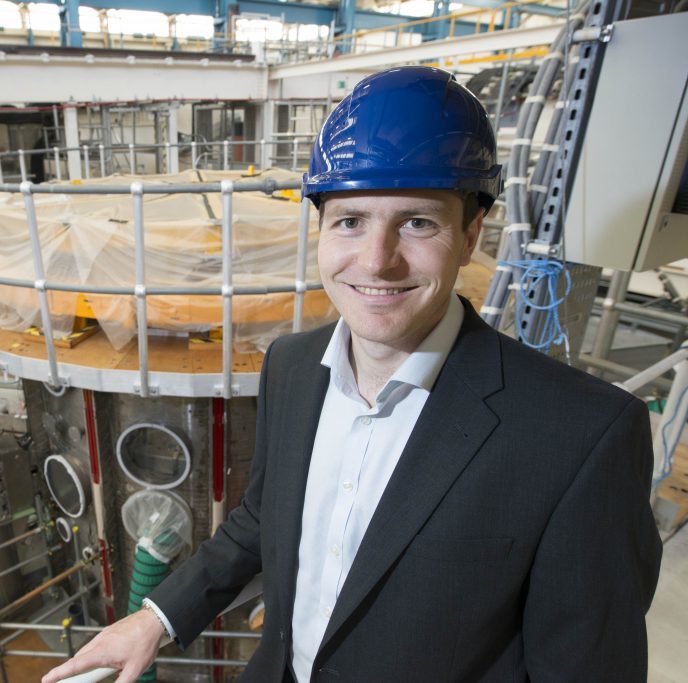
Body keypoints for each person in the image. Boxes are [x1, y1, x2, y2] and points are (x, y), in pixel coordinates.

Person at [43, 66, 662, 683]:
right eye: (350, 220)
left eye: (417, 222)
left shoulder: (580, 437)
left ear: (471, 233)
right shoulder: (290, 368)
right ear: (319, 229)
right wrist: (157, 617)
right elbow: (265, 518)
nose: (377, 261)